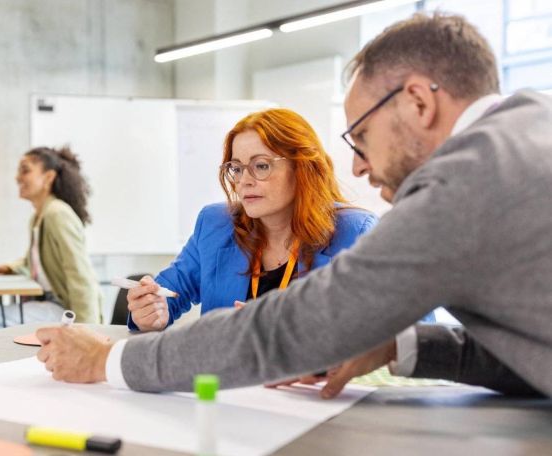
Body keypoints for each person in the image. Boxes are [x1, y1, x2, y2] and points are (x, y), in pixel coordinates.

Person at [34, 13, 552, 398]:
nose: (358, 166)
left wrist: (106, 360)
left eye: (362, 135)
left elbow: (292, 328)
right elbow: (533, 350)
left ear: (419, 102)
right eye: (238, 168)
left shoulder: (463, 184)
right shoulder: (531, 128)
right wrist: (397, 347)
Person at [126, 108, 379, 332]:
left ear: (303, 168)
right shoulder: (216, 224)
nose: (244, 181)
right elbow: (168, 293)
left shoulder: (355, 232)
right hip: (227, 371)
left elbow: (379, 330)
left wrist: (282, 332)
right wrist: (151, 311)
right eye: (236, 168)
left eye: (261, 166)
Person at [0, 147, 102, 324]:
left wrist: (87, 328)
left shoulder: (57, 213)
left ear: (48, 177)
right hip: (47, 304)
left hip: (63, 310)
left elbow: (80, 274)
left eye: (25, 170)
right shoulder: (38, 217)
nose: (17, 178)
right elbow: (30, 264)